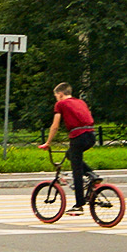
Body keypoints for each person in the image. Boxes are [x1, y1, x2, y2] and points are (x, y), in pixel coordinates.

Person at [40, 83, 99, 212]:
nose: (56, 98)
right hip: (91, 135)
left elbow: (55, 126)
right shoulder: (80, 101)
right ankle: (92, 175)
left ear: (60, 94)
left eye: (56, 96)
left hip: (78, 136)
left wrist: (48, 143)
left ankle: (79, 204)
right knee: (70, 155)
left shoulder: (60, 104)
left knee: (76, 171)